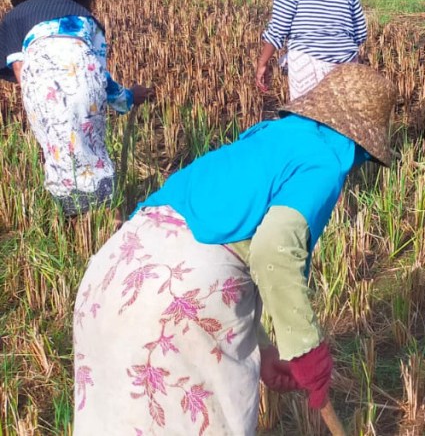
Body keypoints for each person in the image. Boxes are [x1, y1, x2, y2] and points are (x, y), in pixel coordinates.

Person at [72, 64, 395, 434]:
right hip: (177, 309)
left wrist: (265, 349)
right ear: (358, 144)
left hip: (109, 280)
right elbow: (273, 251)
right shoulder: (323, 160)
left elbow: (214, 245)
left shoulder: (264, 141)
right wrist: (304, 347)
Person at [0, 0, 153, 216]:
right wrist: (128, 98)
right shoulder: (86, 18)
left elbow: (20, 70)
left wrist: (39, 103)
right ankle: (105, 215)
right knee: (93, 149)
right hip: (85, 85)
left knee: (56, 151)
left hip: (41, 89)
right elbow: (98, 72)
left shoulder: (14, 17)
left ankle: (71, 215)